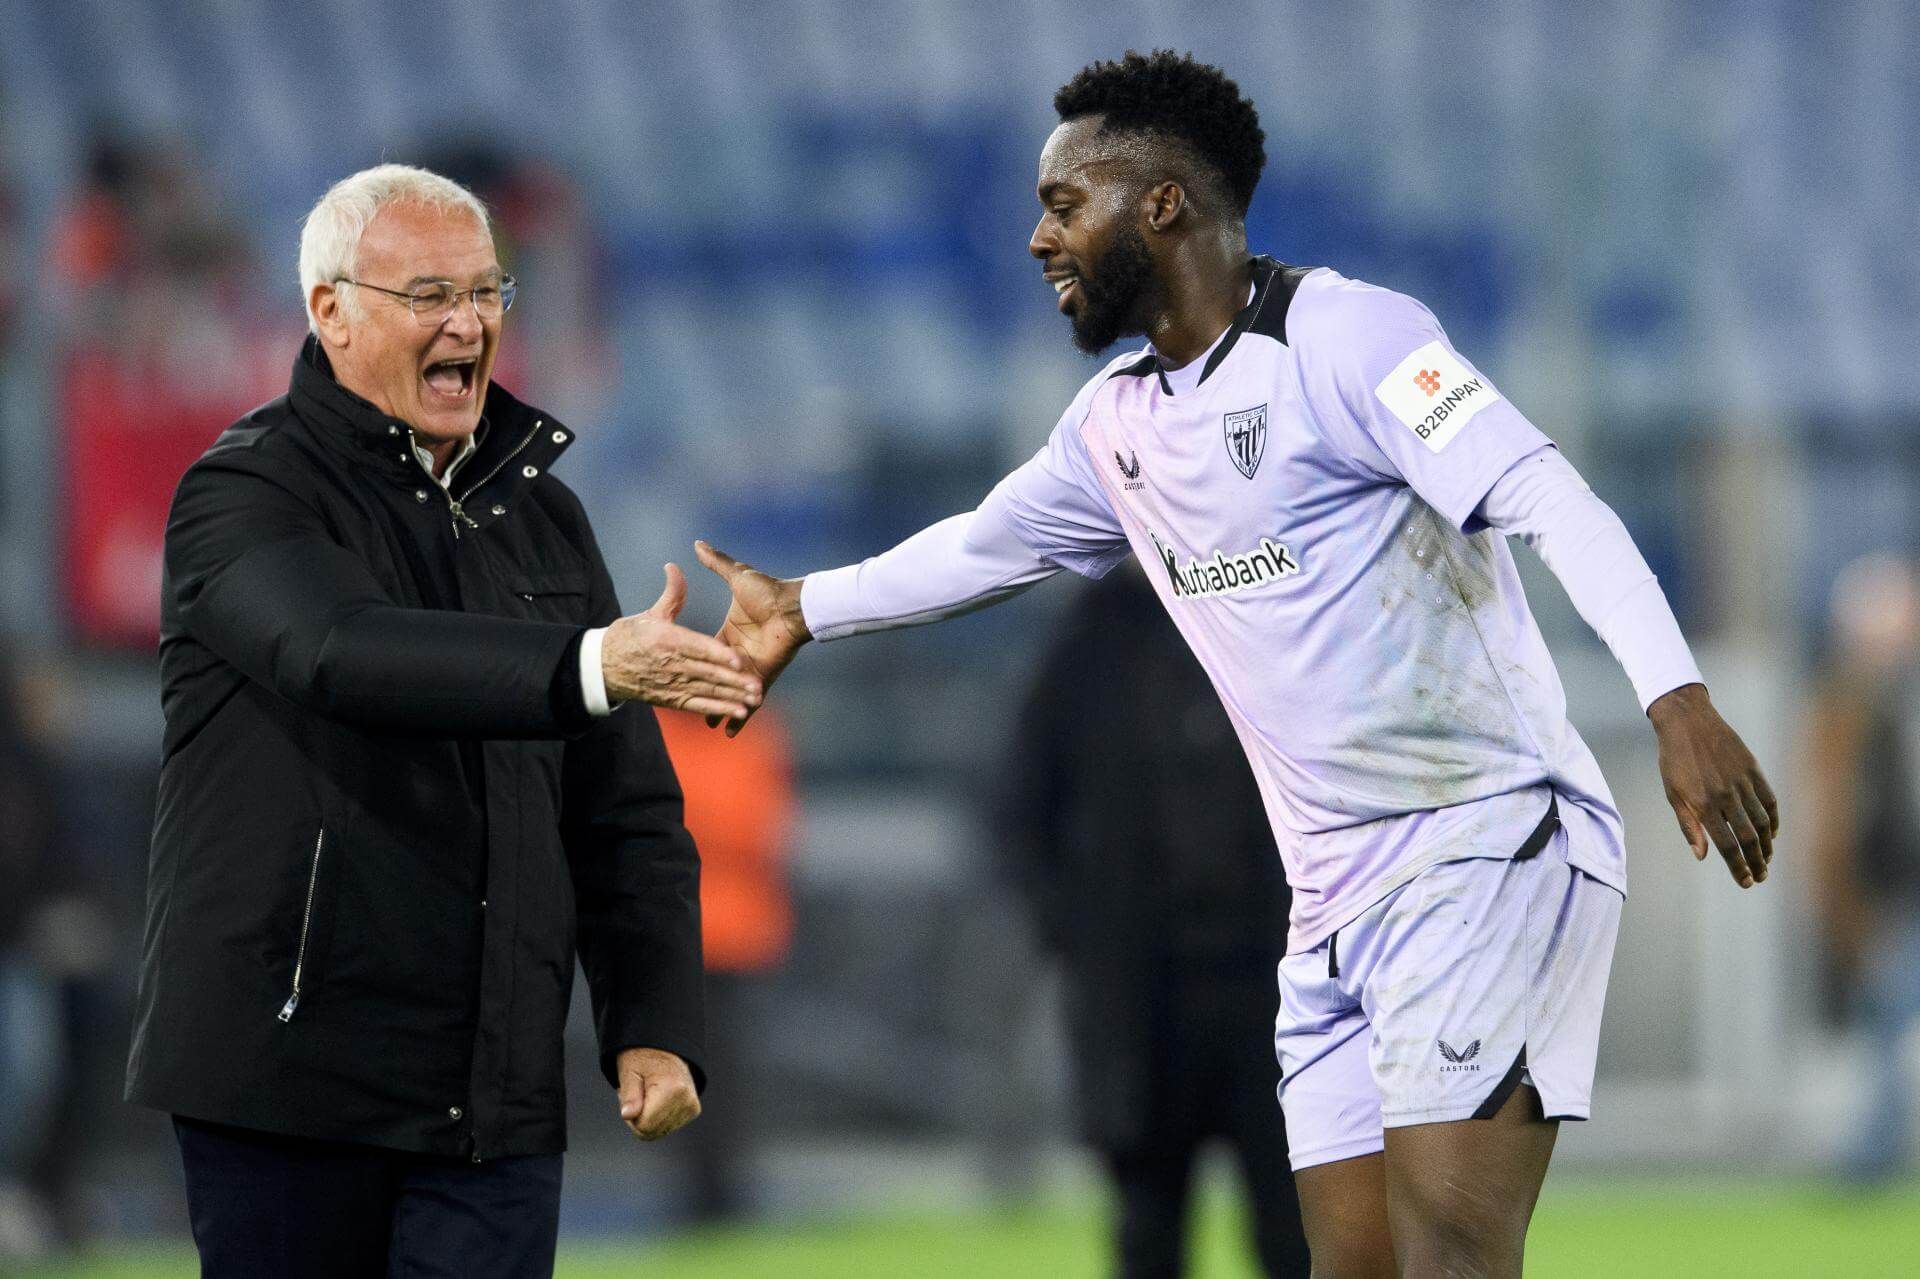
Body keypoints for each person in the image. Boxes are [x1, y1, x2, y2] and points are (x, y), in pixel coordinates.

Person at [692, 51, 1778, 1278]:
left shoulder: (1351, 339)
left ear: (1160, 203)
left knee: (1452, 1255)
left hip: (1483, 842)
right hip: (1328, 904)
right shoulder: (1116, 425)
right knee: (1352, 1265)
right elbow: (983, 546)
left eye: (1064, 204)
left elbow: (1542, 490)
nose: (1040, 239)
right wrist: (805, 606)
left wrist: (1675, 696)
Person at [123, 164, 765, 1279]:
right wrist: (590, 662)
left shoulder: (544, 517)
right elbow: (338, 651)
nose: (468, 322)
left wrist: (654, 1018)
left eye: (485, 291)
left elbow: (623, 810)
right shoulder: (246, 491)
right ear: (330, 311)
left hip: (493, 1094)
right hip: (290, 1087)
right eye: (429, 294)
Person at [996, 564, 1309, 1276]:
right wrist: (1079, 932)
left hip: (1277, 983)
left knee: (1299, 1225)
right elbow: (1019, 812)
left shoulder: (1276, 614)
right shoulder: (1091, 638)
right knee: (1148, 1226)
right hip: (1142, 996)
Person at [653, 705, 797, 1221]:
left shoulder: (748, 732)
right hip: (682, 932)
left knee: (718, 1074)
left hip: (723, 936)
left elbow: (757, 826)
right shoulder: (742, 733)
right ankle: (701, 1192)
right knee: (689, 1071)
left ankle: (716, 1192)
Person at [1806, 554, 1920, 1181]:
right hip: (1891, 893)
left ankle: (1873, 1149)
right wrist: (1846, 906)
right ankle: (1873, 1150)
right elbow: (1841, 819)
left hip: (1895, 890)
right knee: (1887, 1017)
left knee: (1888, 1020)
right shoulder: (1850, 708)